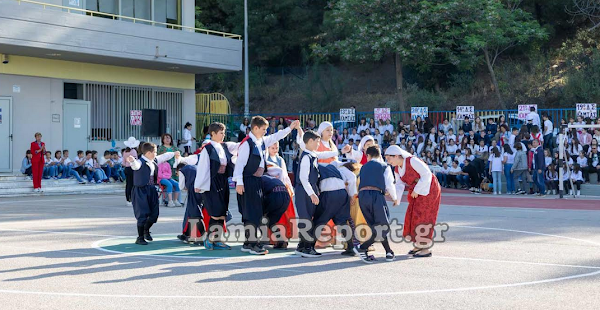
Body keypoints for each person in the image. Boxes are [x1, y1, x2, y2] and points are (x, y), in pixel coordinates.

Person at [233, 117, 299, 255]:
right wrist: (239, 183)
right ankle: (251, 244)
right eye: (263, 129)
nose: (265, 132)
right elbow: (239, 165)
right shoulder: (247, 143)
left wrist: (290, 128)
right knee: (251, 212)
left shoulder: (261, 141)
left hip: (257, 181)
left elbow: (277, 136)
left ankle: (249, 243)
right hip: (248, 181)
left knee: (256, 211)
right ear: (255, 128)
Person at [385, 145, 441, 258]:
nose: (388, 161)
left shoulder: (412, 161)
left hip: (428, 189)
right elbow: (399, 185)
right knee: (413, 216)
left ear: (396, 156)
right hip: (417, 191)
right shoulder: (397, 168)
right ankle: (419, 244)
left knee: (424, 217)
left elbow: (427, 174)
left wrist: (416, 189)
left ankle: (425, 248)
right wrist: (396, 198)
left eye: (389, 158)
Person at [192, 122, 238, 250]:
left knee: (223, 212)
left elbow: (239, 147)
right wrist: (199, 184)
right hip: (212, 181)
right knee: (215, 212)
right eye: (220, 133)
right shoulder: (207, 148)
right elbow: (203, 168)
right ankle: (208, 238)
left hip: (223, 180)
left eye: (224, 133)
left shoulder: (224, 146)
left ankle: (217, 239)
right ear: (212, 134)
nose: (223, 135)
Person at [352, 146, 398, 263]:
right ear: (379, 155)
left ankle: (388, 252)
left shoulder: (363, 168)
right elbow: (389, 184)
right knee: (382, 225)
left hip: (363, 196)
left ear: (368, 156)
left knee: (376, 226)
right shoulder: (384, 166)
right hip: (375, 196)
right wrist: (395, 198)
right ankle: (362, 247)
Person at [127, 142, 179, 245]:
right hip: (141, 190)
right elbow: (135, 166)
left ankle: (146, 230)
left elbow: (164, 156)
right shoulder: (140, 162)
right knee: (142, 214)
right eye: (154, 152)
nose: (155, 154)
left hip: (151, 189)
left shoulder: (153, 160)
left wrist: (174, 153)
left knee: (154, 214)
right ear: (148, 153)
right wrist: (132, 161)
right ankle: (140, 237)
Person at [176, 163, 204, 245]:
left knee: (195, 213)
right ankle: (189, 235)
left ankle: (203, 236)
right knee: (191, 213)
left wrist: (186, 187)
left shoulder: (183, 171)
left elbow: (181, 187)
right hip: (202, 190)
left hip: (194, 191)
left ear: (178, 169)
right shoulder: (196, 167)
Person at [123, 137, 140, 207]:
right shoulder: (133, 151)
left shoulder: (125, 151)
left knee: (128, 184)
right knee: (133, 184)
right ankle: (132, 198)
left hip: (126, 168)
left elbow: (123, 162)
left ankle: (128, 199)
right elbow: (135, 160)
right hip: (132, 168)